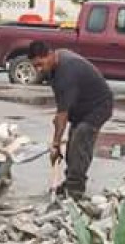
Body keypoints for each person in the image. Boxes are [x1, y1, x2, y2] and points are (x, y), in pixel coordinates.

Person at [27, 41, 114, 200]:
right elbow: (61, 109)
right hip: (81, 108)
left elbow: (62, 116)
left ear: (50, 54)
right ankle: (70, 182)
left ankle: (75, 190)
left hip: (99, 106)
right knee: (73, 143)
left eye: (40, 64)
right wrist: (58, 140)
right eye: (35, 66)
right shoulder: (54, 66)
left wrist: (55, 144)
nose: (39, 69)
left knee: (81, 140)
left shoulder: (66, 72)